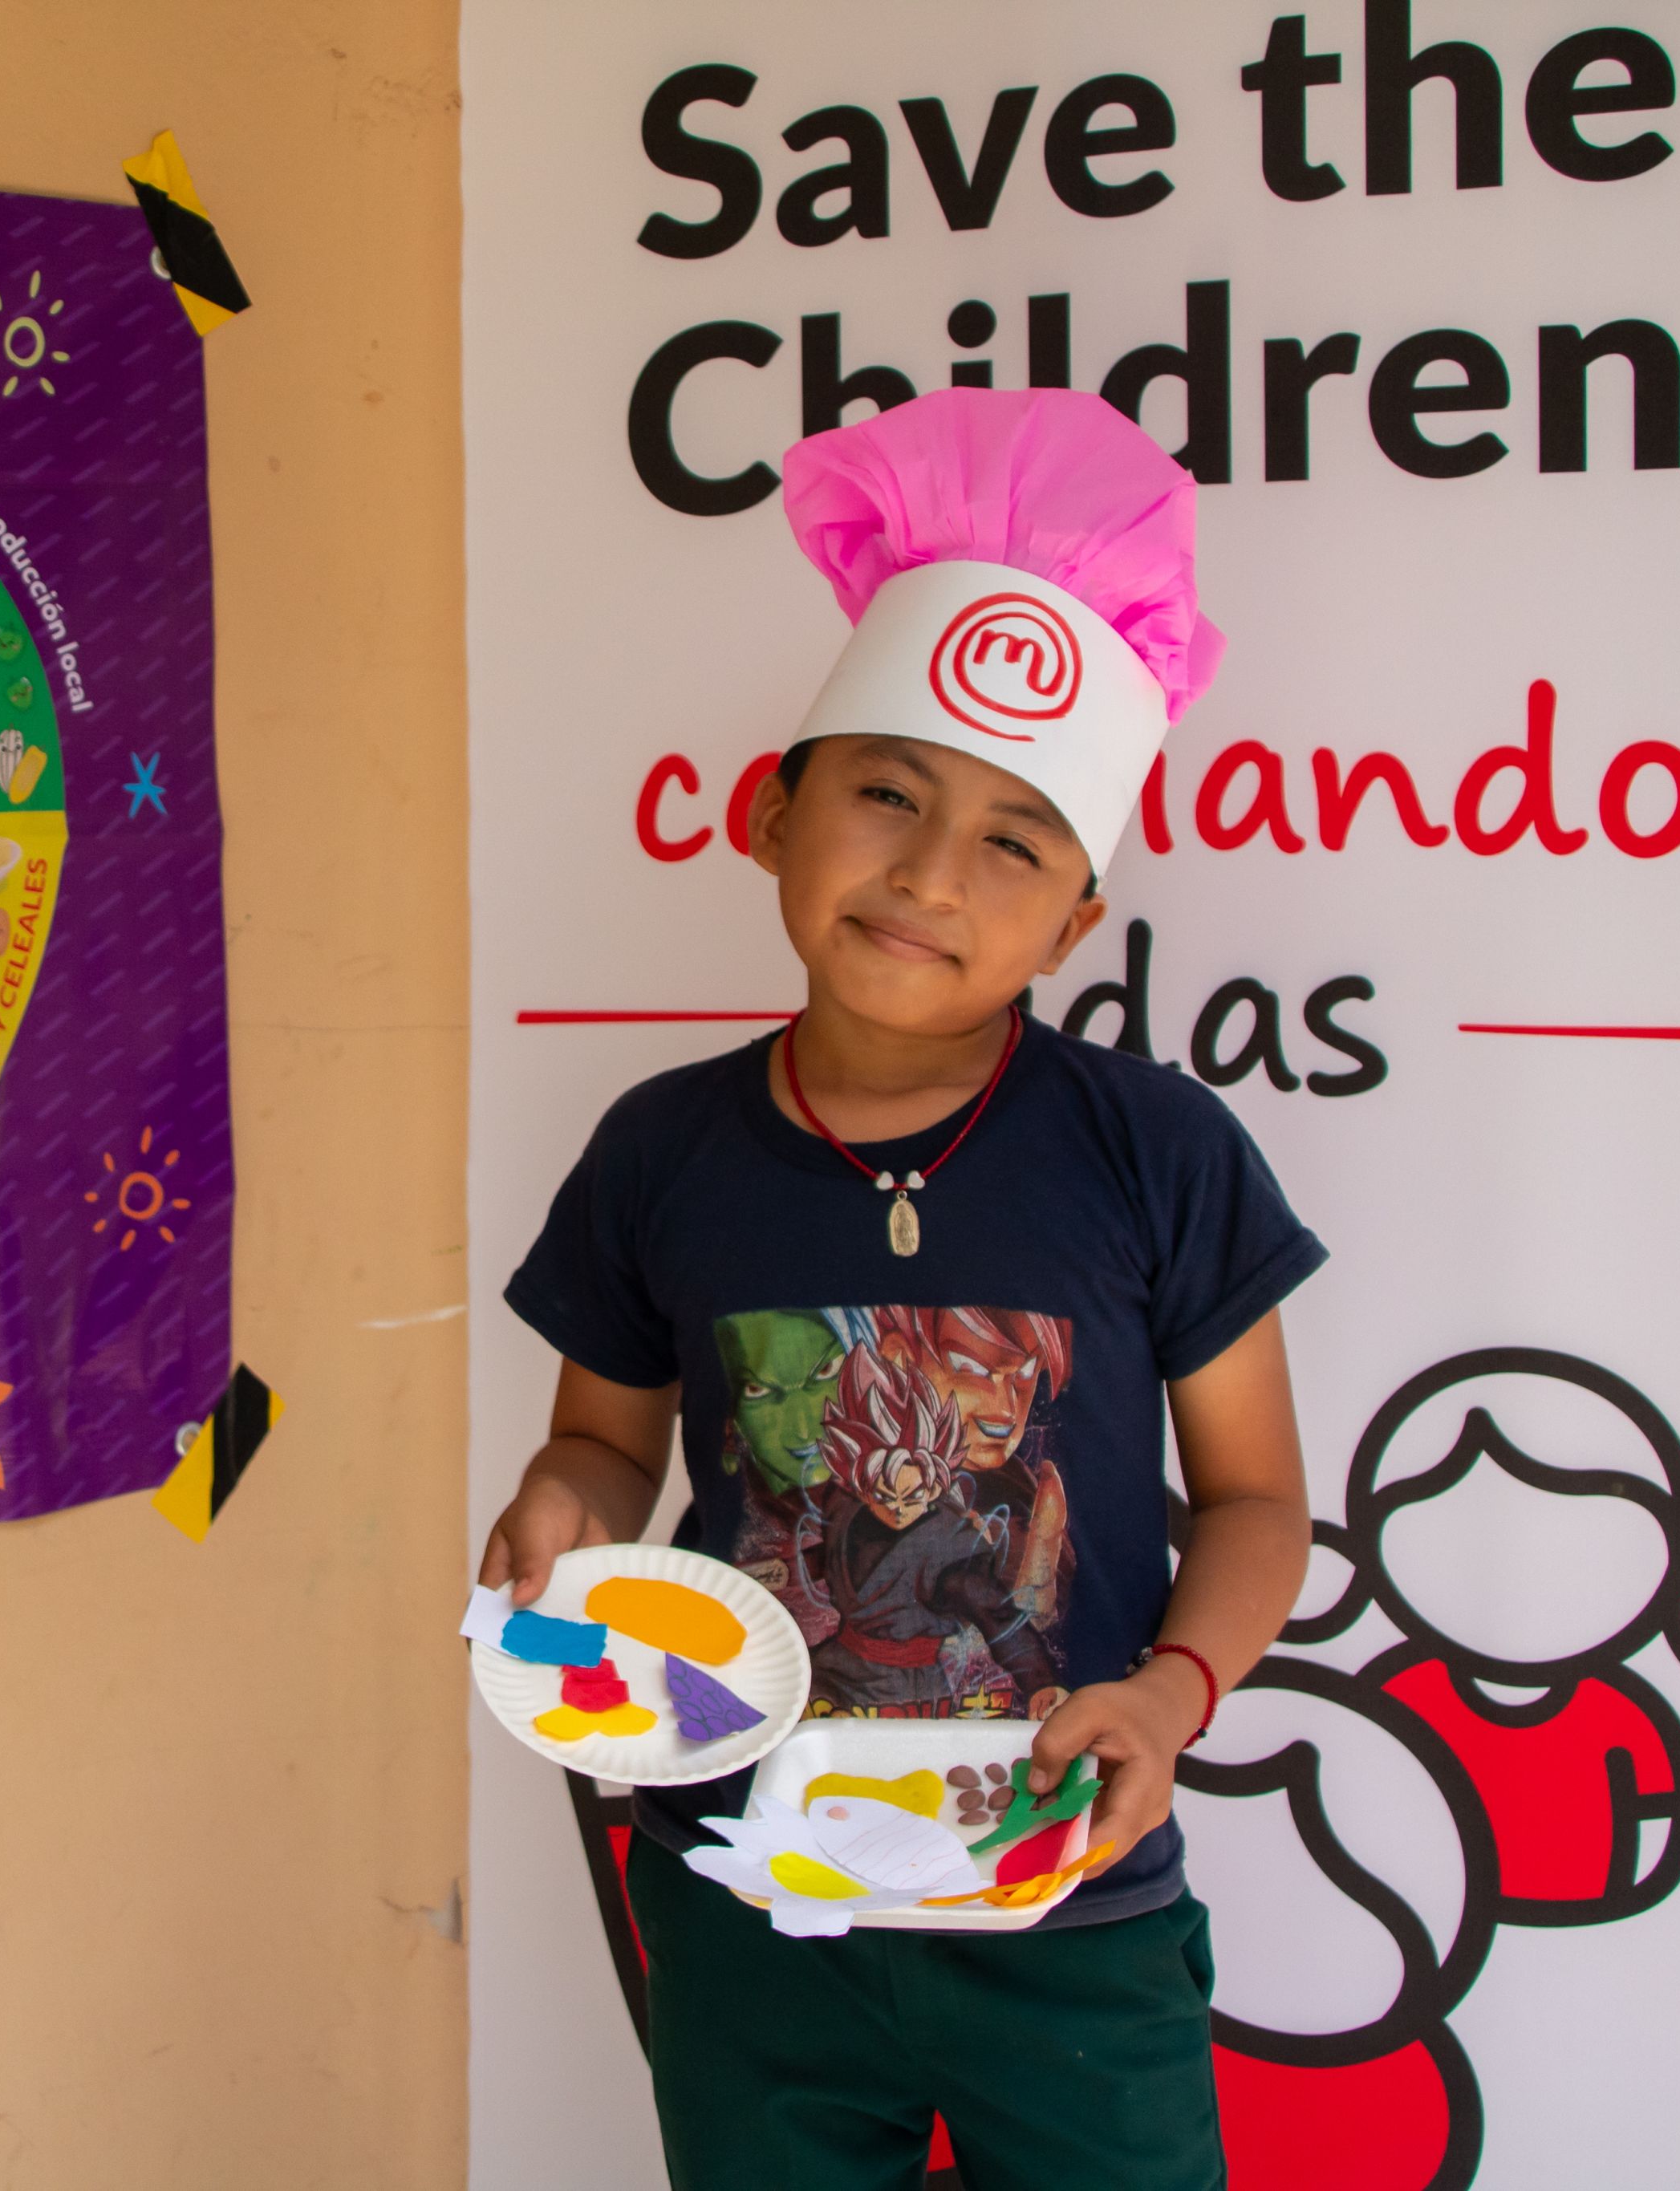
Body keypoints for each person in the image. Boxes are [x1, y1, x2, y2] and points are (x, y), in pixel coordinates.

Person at [480, 387, 1322, 2191]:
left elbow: (1255, 1499)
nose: (930, 873)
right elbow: (601, 1456)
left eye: (1012, 841)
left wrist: (1168, 1696)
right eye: (883, 795)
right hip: (751, 1896)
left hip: (1069, 1901)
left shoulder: (1153, 1153)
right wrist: (560, 1512)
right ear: (773, 814)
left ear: (1073, 924)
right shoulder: (659, 1153)